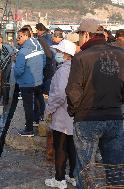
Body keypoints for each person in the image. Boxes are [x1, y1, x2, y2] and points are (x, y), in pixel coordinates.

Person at [66, 18, 124, 189]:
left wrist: (75, 111)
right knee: (116, 169)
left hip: (87, 119)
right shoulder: (121, 55)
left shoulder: (81, 57)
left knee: (85, 170)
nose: (79, 39)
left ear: (86, 34)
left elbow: (73, 91)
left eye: (79, 35)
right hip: (115, 117)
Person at [44, 40, 77, 189]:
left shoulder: (64, 70)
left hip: (62, 116)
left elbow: (59, 94)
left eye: (59, 52)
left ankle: (59, 179)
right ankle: (73, 176)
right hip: (74, 115)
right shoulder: (77, 68)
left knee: (61, 147)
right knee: (73, 147)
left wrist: (49, 109)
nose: (57, 54)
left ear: (66, 55)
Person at [13, 27, 45, 136]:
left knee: (27, 106)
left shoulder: (23, 51)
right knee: (37, 101)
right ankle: (37, 120)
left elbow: (18, 70)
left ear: (26, 36)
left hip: (26, 83)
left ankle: (29, 130)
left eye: (19, 37)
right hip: (38, 81)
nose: (18, 39)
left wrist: (16, 76)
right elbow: (44, 61)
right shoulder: (39, 46)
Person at [36, 23, 54, 96]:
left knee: (46, 80)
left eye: (37, 30)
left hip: (46, 60)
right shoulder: (49, 36)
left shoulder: (42, 39)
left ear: (41, 30)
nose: (37, 32)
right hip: (51, 61)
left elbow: (46, 51)